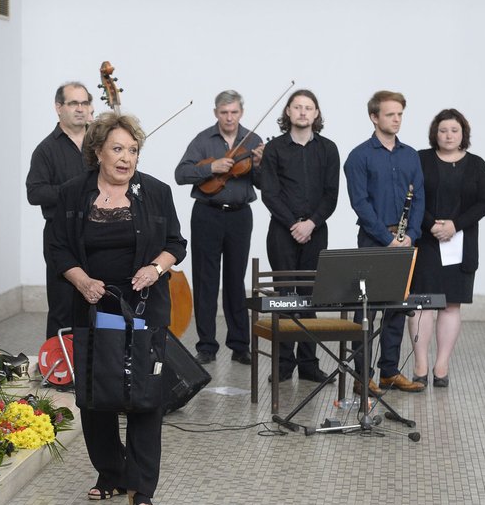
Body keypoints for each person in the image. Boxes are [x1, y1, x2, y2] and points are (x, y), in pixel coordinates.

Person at [50, 112, 186, 505]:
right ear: (98, 152)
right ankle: (111, 473)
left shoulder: (156, 192)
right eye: (118, 149)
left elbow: (177, 243)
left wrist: (156, 269)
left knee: (146, 398)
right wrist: (82, 281)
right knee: (95, 399)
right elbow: (58, 249)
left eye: (133, 150)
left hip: (144, 308)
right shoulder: (74, 193)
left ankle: (143, 489)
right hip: (93, 305)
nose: (126, 158)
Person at [344, 90, 426, 395]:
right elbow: (360, 204)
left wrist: (410, 235)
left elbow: (418, 198)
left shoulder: (410, 155)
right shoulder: (358, 156)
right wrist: (387, 238)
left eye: (400, 114)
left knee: (396, 307)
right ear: (374, 117)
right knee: (365, 310)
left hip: (405, 241)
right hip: (373, 240)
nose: (396, 119)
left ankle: (389, 372)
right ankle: (361, 376)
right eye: (390, 114)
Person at [175, 90, 264, 366]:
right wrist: (211, 167)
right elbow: (181, 174)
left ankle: (240, 345)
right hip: (207, 214)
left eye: (234, 112)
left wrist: (259, 165)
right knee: (205, 280)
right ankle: (206, 346)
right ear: (216, 113)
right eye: (224, 112)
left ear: (241, 112)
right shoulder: (203, 140)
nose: (229, 117)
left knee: (236, 281)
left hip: (240, 216)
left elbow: (263, 182)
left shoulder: (254, 141)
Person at [407, 109, 485, 388]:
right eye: (443, 130)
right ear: (435, 133)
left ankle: (441, 365)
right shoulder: (420, 159)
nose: (448, 135)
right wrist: (432, 224)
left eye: (454, 130)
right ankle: (420, 363)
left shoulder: (478, 165)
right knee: (421, 303)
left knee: (451, 305)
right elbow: (411, 195)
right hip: (426, 241)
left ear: (463, 134)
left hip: (461, 242)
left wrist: (454, 225)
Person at [260, 89, 339, 383]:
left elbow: (331, 194)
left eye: (309, 107)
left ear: (316, 114)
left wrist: (311, 224)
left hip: (316, 233)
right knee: (285, 297)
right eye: (297, 107)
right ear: (288, 113)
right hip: (282, 232)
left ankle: (308, 364)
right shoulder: (274, 149)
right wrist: (294, 223)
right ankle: (282, 366)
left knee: (310, 298)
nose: (303, 112)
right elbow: (269, 193)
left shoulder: (328, 149)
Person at [26, 82, 91, 340]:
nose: (80, 109)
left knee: (96, 306)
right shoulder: (46, 150)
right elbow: (35, 193)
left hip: (97, 233)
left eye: (84, 103)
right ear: (58, 108)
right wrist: (72, 191)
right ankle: (58, 369)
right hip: (60, 235)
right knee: (63, 307)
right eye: (73, 103)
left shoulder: (100, 146)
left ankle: (94, 367)